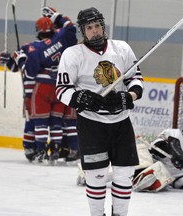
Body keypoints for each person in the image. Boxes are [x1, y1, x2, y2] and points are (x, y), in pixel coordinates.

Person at [55, 7, 143, 216]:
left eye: (97, 26)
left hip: (121, 123)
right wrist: (81, 99)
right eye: (89, 28)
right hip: (91, 125)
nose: (94, 31)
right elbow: (62, 90)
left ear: (103, 26)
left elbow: (136, 80)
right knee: (96, 176)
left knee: (124, 174)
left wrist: (127, 97)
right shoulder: (73, 54)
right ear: (82, 31)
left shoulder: (121, 49)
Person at [0, 7, 78, 164]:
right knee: (59, 121)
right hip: (63, 87)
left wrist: (13, 59)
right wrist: (56, 16)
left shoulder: (32, 48)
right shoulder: (63, 40)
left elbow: (27, 71)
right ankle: (59, 149)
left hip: (39, 89)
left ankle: (35, 149)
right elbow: (70, 27)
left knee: (36, 121)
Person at [132, 127, 183, 192]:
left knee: (163, 176)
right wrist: (178, 155)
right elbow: (173, 144)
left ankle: (139, 180)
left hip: (154, 169)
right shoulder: (176, 133)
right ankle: (134, 177)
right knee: (142, 151)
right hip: (143, 157)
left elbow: (179, 180)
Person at [0, 43, 36, 162]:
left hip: (47, 90)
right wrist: (9, 59)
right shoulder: (31, 48)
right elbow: (15, 67)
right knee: (31, 120)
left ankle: (58, 147)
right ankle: (30, 147)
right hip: (32, 92)